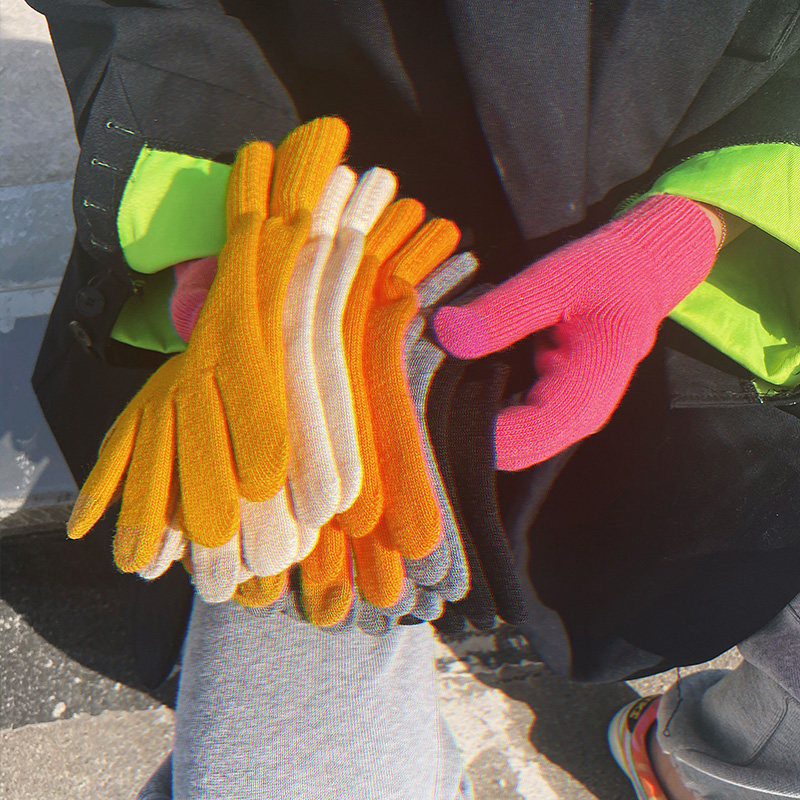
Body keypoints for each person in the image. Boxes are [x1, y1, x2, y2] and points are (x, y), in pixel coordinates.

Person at [25, 1, 800, 797]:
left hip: (690, 295)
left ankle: (720, 759)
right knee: (290, 743)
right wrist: (228, 227)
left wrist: (704, 220)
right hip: (313, 294)